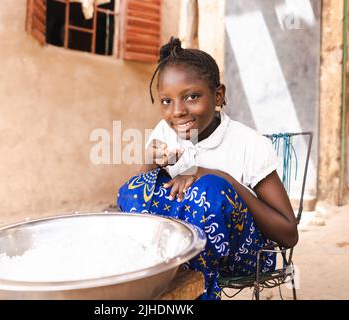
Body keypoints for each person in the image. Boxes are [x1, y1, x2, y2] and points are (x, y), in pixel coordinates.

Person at [117, 37, 298, 300]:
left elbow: (288, 234)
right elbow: (137, 199)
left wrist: (219, 176)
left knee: (211, 190)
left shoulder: (249, 144)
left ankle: (197, 289)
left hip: (240, 256)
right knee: (134, 189)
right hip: (176, 251)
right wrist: (152, 163)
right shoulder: (165, 132)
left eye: (191, 97)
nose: (177, 112)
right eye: (166, 101)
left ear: (218, 95)